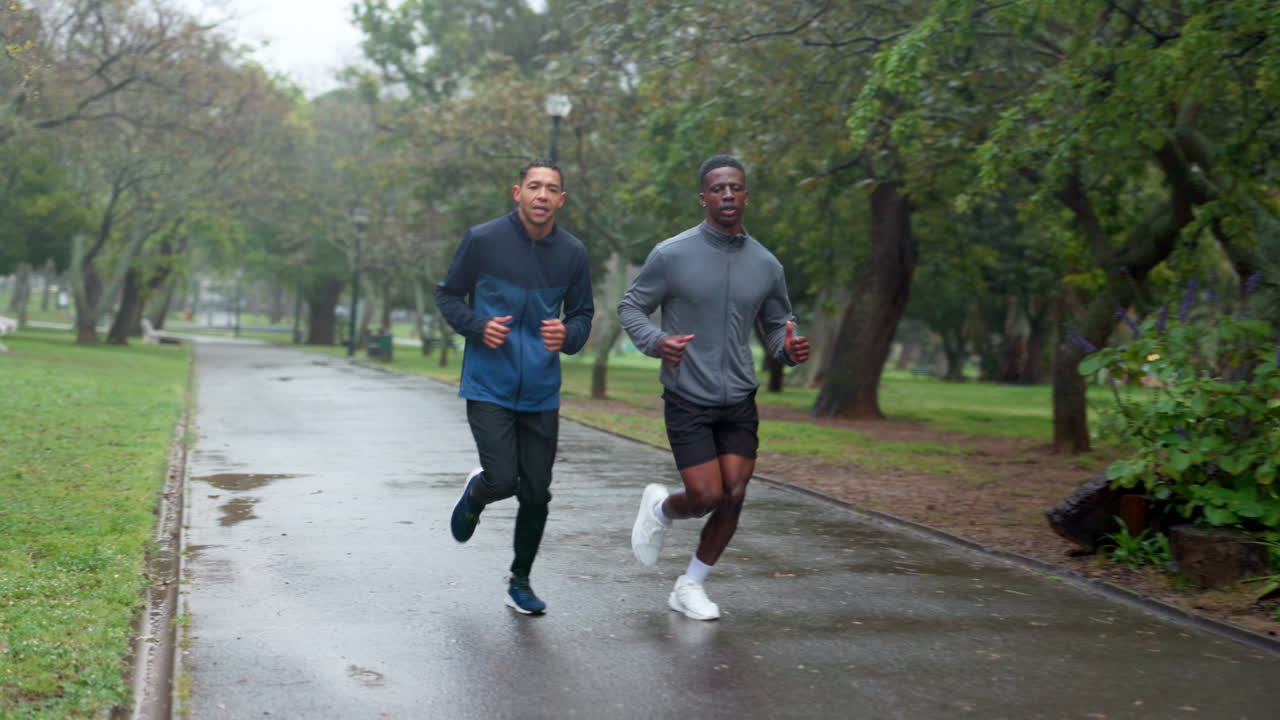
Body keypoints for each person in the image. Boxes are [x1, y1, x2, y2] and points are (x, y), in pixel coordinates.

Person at [618, 154, 810, 621]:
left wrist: (786, 348)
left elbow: (775, 324)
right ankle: (663, 508)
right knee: (705, 496)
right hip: (688, 395)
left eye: (736, 188)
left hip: (739, 395)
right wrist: (657, 342)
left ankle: (690, 585)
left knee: (736, 491)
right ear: (704, 197)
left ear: (745, 195)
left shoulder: (766, 264)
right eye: (718, 189)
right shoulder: (672, 254)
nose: (728, 195)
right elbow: (631, 308)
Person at [435, 158, 594, 615]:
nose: (542, 195)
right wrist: (477, 325)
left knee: (537, 490)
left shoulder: (573, 253)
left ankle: (520, 580)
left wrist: (569, 336)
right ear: (517, 192)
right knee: (504, 479)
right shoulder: (483, 240)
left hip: (542, 387)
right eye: (534, 187)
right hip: (489, 382)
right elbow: (447, 295)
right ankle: (478, 491)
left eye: (552, 189)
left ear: (561, 200)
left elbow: (583, 314)